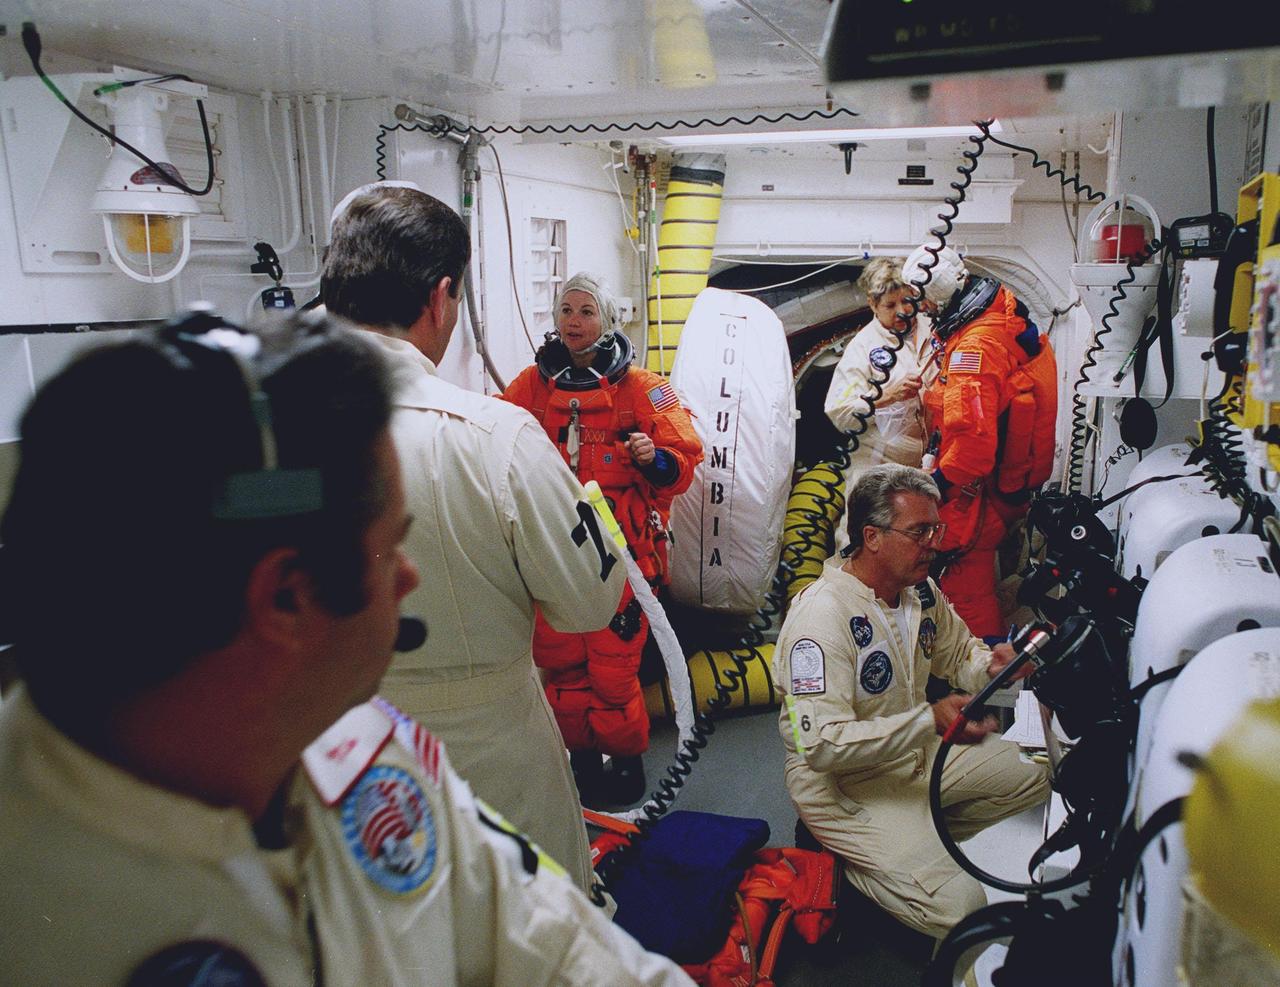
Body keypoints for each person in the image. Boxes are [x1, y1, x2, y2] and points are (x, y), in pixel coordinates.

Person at [0, 312, 692, 985]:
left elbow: (552, 941)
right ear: (287, 598)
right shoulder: (37, 913)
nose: (409, 575)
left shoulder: (366, 759)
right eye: (389, 547)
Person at [322, 184, 626, 894]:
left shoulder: (244, 428)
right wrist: (595, 514)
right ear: (440, 297)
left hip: (327, 756)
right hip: (488, 755)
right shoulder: (497, 435)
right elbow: (589, 604)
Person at [773, 463, 1050, 940]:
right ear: (872, 536)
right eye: (920, 531)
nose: (935, 543)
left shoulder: (917, 593)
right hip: (842, 782)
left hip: (912, 756)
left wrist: (993, 667)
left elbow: (959, 651)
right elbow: (818, 746)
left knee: (1039, 771)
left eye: (935, 529)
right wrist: (927, 721)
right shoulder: (818, 621)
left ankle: (910, 845)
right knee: (965, 911)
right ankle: (854, 865)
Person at [502, 273, 703, 806]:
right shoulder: (532, 386)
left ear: (608, 320)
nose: (573, 319)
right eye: (566, 309)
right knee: (562, 663)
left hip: (623, 556)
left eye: (586, 311)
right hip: (554, 553)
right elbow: (494, 438)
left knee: (613, 671)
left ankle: (628, 761)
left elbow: (682, 465)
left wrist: (651, 458)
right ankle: (585, 760)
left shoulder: (644, 389)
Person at [901, 244, 1059, 640]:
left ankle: (981, 675)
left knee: (959, 575)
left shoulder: (975, 349)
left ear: (937, 294)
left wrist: (933, 489)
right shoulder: (998, 308)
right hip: (997, 476)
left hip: (978, 483)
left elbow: (973, 447)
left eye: (921, 299)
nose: (919, 309)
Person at [824, 256, 936, 552]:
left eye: (907, 301)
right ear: (873, 304)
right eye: (890, 305)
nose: (902, 311)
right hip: (878, 464)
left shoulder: (932, 329)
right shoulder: (862, 347)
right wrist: (888, 396)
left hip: (928, 466)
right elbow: (839, 410)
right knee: (860, 542)